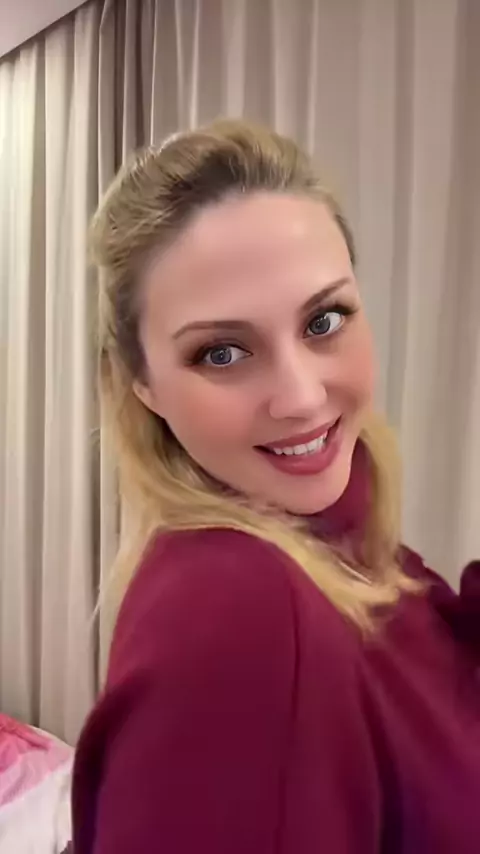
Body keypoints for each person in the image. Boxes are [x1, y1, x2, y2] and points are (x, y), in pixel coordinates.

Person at [71, 120, 480, 853]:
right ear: (143, 385)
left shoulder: (337, 539)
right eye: (222, 353)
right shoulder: (240, 614)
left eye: (324, 320)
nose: (300, 397)